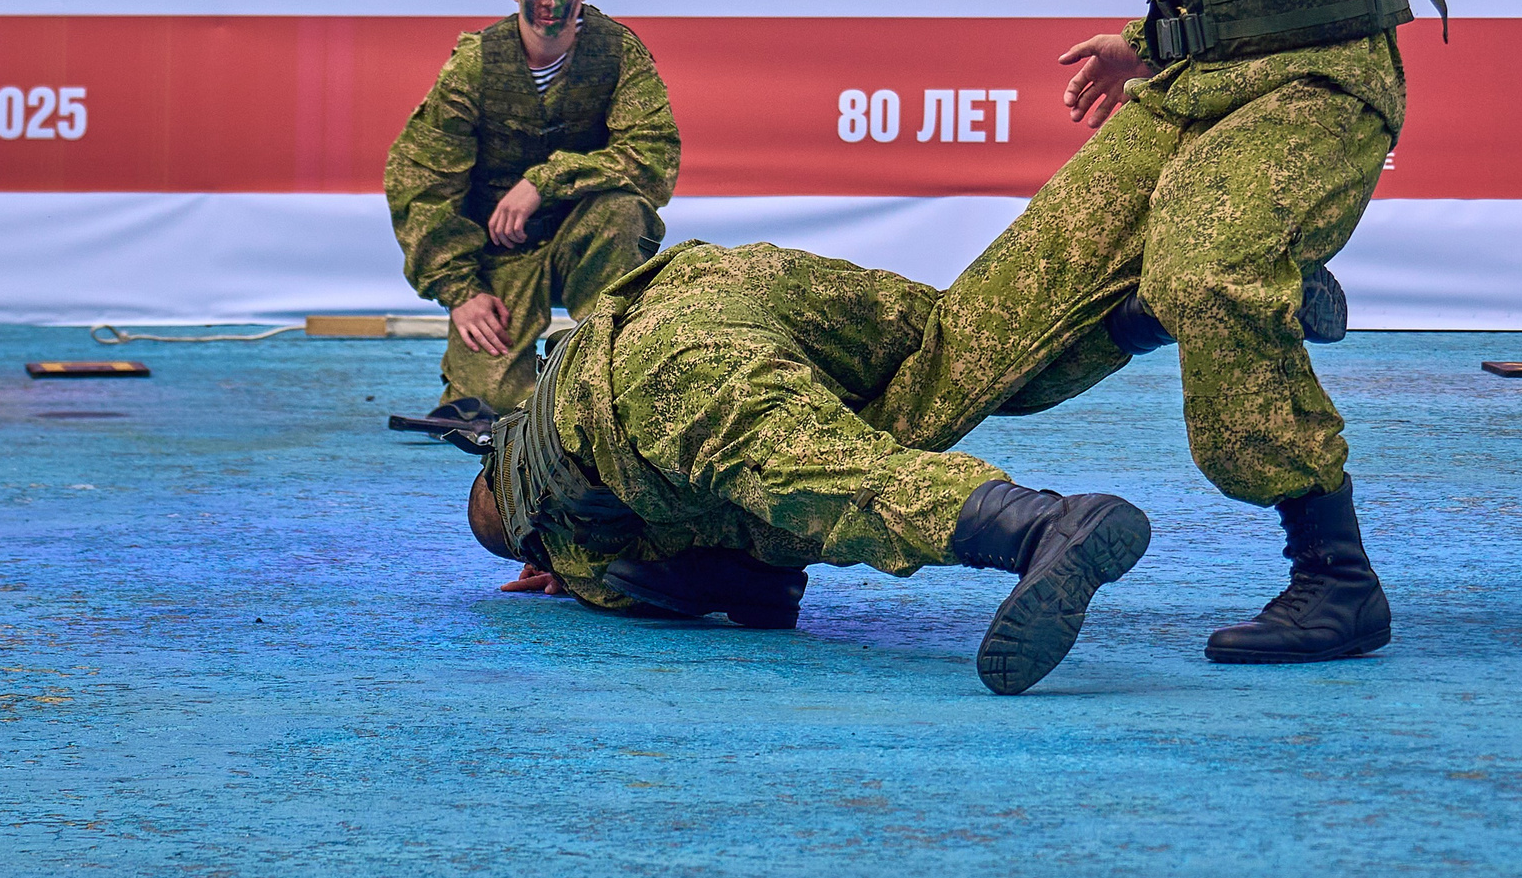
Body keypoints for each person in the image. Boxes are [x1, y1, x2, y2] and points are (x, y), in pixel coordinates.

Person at [885, 0, 1438, 667]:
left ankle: (1335, 578)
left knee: (1207, 269)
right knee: (999, 338)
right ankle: (772, 514)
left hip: (1318, 81)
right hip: (1201, 82)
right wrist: (1154, 37)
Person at [468, 239, 1152, 696]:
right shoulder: (546, 394)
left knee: (834, 479)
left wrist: (575, 577)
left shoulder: (570, 543)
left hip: (664, 371)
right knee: (956, 337)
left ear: (529, 555)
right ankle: (1149, 303)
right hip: (716, 279)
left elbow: (729, 589)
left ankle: (1038, 527)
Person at [385, 0, 678, 420]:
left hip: (588, 243)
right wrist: (461, 291)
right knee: (489, 405)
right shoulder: (477, 64)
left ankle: (604, 355)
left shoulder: (617, 53)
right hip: (501, 253)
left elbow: (653, 157)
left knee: (624, 213)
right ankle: (552, 375)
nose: (550, 0)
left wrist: (543, 181)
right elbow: (421, 180)